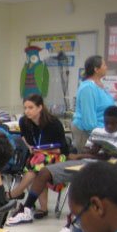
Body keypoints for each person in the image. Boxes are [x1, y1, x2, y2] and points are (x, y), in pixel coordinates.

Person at [13, 106, 117, 226]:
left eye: (112, 124)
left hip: (107, 169)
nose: (109, 126)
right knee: (44, 171)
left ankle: (77, 220)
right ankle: (26, 209)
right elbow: (84, 151)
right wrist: (93, 151)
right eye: (106, 123)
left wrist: (107, 156)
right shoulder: (97, 132)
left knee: (89, 181)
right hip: (85, 162)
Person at [7, 94, 69, 223]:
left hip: (57, 156)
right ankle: (43, 208)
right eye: (25, 108)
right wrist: (29, 146)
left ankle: (14, 194)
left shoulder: (53, 123)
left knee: (38, 165)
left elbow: (63, 150)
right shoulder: (24, 121)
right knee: (38, 166)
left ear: (40, 107)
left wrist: (44, 150)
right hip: (38, 157)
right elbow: (23, 136)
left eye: (31, 107)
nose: (27, 111)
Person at [72, 55, 116, 152]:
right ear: (96, 69)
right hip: (88, 134)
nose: (106, 67)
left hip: (102, 132)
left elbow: (103, 105)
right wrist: (99, 139)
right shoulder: (88, 88)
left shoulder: (100, 85)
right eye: (104, 65)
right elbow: (89, 121)